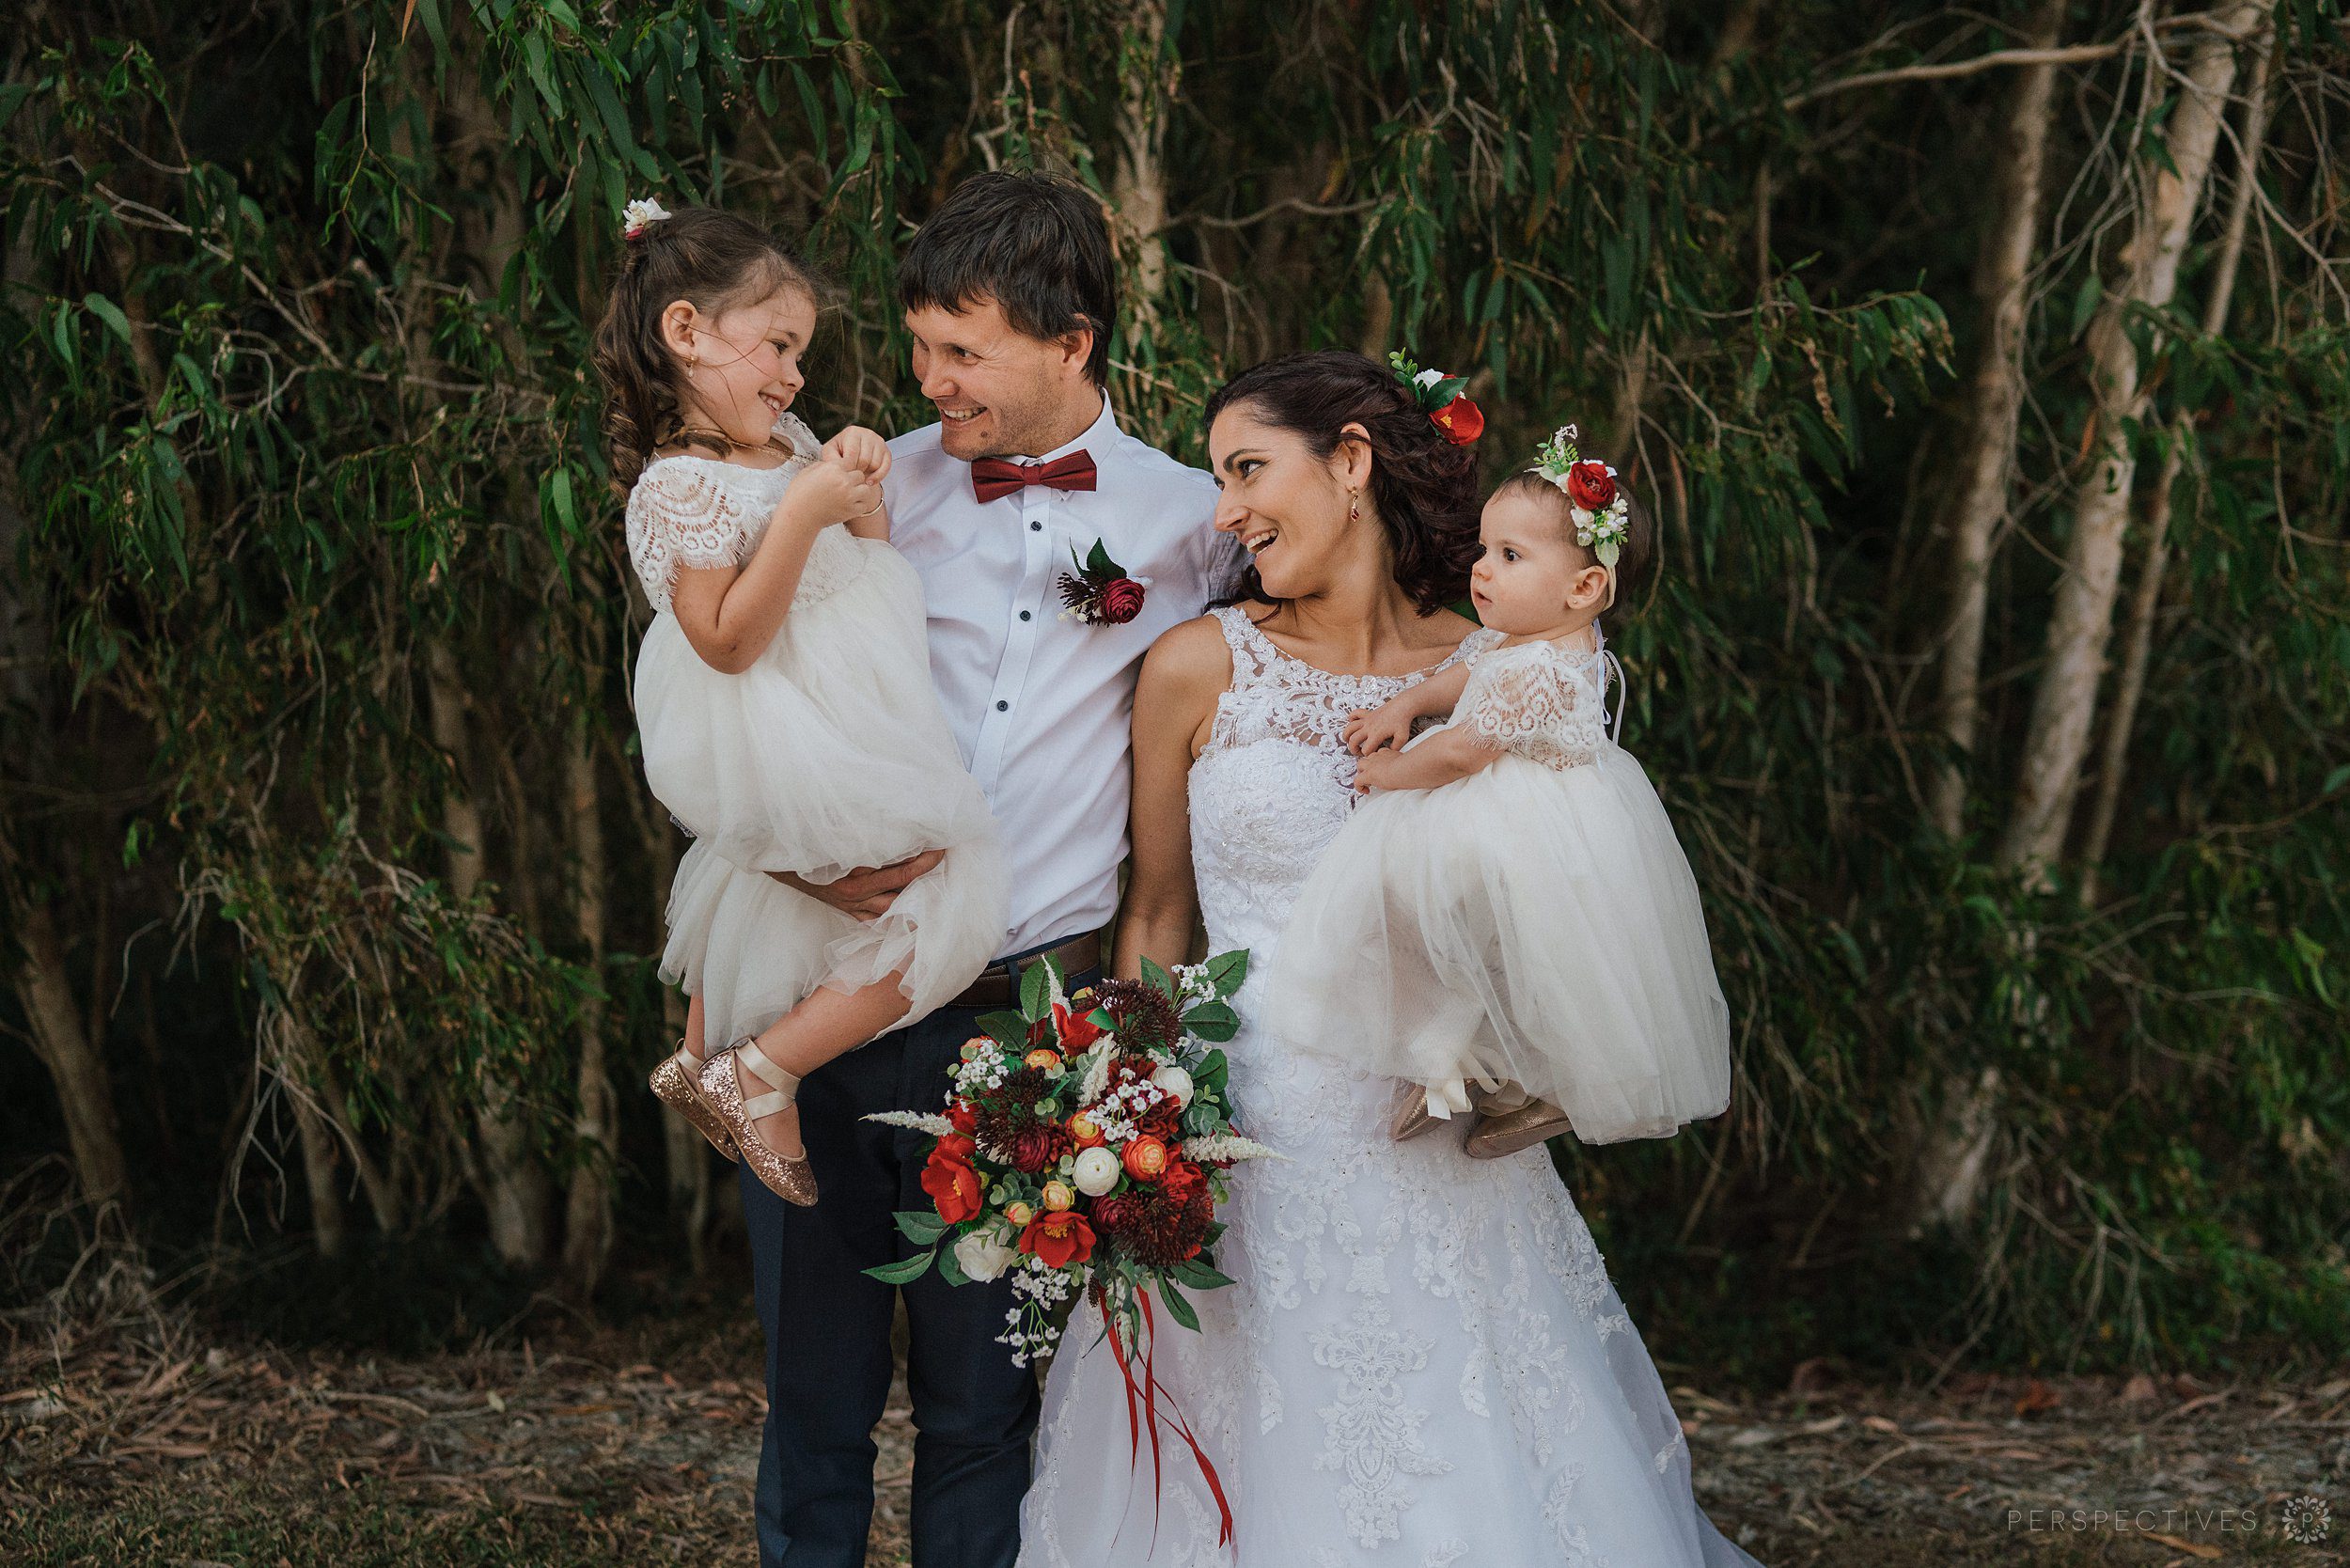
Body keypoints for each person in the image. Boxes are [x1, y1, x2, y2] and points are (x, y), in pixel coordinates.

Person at [1018, 350, 1765, 1566]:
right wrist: (1132, 1125)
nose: (1227, 512)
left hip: (1431, 1133)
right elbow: (1156, 917)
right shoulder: (1196, 664)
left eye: (1249, 468)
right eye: (1217, 481)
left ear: (1350, 464)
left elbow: (1549, 887)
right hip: (1243, 1137)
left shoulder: (1482, 663)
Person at [737, 170, 1235, 1568]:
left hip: (1021, 1034)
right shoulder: (856, 486)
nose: (930, 379)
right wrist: (777, 867)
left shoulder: (1198, 526)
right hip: (821, 999)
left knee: (984, 1415)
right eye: (920, 347)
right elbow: (739, 701)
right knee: (814, 1405)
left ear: (1072, 342)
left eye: (965, 351)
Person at [592, 200, 1006, 1206]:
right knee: (951, 893)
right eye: (775, 345)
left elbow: (867, 576)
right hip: (767, 720)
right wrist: (806, 509)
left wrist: (855, 497)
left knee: (782, 899)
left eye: (800, 354)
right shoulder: (676, 485)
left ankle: (702, 1055)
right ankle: (759, 1070)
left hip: (843, 710)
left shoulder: (789, 446)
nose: (791, 376)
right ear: (684, 332)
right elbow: (726, 638)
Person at [1273, 422, 1735, 1157]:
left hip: (1520, 824)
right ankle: (1464, 1066)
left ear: (1586, 587)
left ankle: (1515, 1080)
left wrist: (1391, 773)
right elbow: (1465, 674)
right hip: (1532, 811)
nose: (1482, 570)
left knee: (1448, 922)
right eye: (1486, 550)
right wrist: (1404, 705)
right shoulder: (1523, 640)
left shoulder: (1544, 668)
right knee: (1453, 935)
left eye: (1510, 556)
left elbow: (1463, 751)